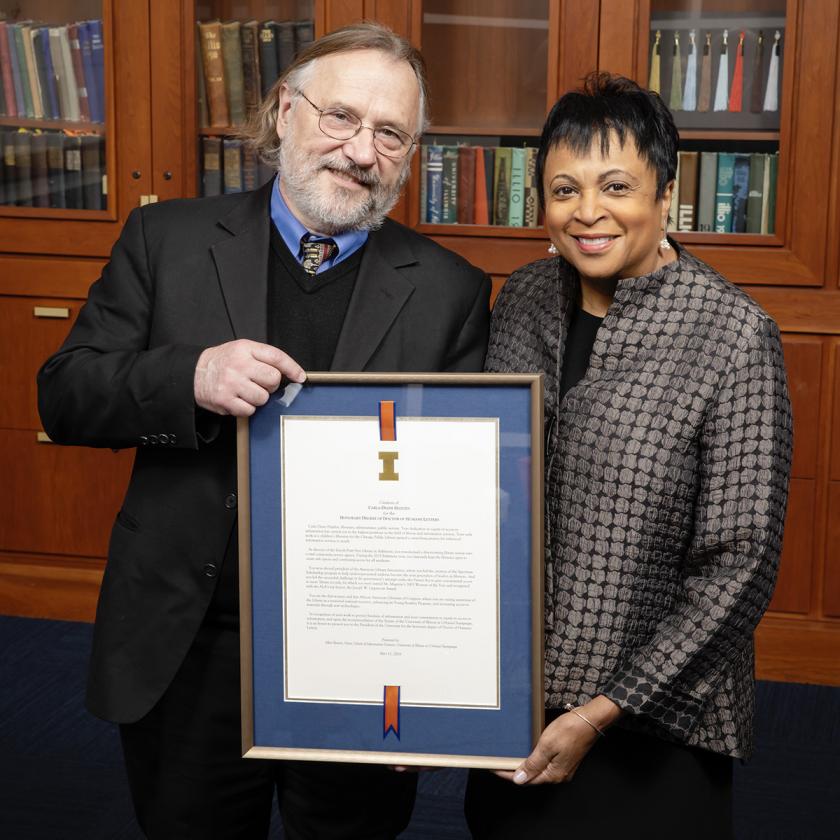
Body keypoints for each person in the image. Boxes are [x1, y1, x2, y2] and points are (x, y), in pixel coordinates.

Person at [37, 22, 490, 840]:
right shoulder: (163, 240)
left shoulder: (451, 292)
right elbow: (64, 396)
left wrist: (428, 679)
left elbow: (459, 506)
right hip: (189, 644)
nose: (361, 151)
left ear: (411, 153)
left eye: (390, 133)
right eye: (341, 117)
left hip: (358, 658)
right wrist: (189, 377)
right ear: (284, 112)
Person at [467, 72, 792, 839]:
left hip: (653, 724)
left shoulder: (734, 335)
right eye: (563, 189)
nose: (588, 213)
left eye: (617, 186)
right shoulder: (519, 298)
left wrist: (602, 712)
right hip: (516, 696)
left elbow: (740, 568)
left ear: (666, 193)